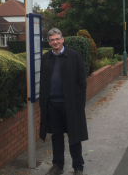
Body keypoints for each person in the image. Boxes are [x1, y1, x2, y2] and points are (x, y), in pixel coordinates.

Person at [39, 28, 88, 175]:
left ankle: (78, 167)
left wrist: (80, 104)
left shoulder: (73, 56)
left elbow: (82, 82)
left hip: (70, 105)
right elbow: (43, 82)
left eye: (57, 39)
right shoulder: (46, 58)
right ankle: (57, 165)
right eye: (52, 40)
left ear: (62, 39)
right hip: (52, 105)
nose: (55, 42)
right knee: (56, 136)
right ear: (49, 42)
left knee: (74, 136)